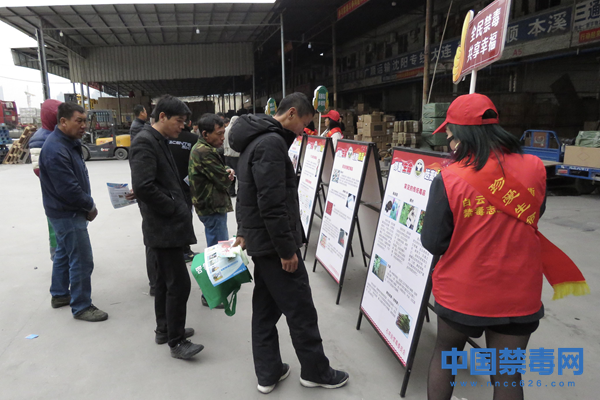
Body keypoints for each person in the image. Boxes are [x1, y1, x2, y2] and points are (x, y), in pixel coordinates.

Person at [421, 93, 588, 400]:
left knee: (446, 357)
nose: (448, 142)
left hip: (463, 292)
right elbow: (534, 214)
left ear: (462, 135)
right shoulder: (535, 166)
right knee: (508, 373)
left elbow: (433, 241)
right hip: (518, 293)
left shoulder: (449, 178)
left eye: (450, 134)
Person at [229, 92, 349, 394]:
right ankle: (316, 371)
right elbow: (271, 204)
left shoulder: (254, 139)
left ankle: (268, 373)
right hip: (274, 246)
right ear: (292, 113)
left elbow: (245, 193)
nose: (302, 131)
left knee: (265, 311)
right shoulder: (270, 143)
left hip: (261, 241)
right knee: (301, 310)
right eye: (303, 123)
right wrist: (286, 250)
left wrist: (244, 230)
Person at [129, 95, 203, 360]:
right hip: (164, 227)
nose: (182, 126)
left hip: (166, 225)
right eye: (179, 121)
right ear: (162, 117)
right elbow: (144, 186)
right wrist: (172, 206)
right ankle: (177, 340)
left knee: (163, 282)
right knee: (179, 284)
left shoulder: (159, 140)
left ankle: (165, 329)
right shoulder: (145, 142)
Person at [38, 102, 108, 322]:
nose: (84, 125)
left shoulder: (68, 143)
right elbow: (69, 189)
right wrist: (90, 205)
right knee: (81, 259)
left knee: (63, 252)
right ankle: (81, 306)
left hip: (63, 210)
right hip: (67, 212)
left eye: (85, 121)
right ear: (63, 121)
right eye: (79, 121)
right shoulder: (56, 150)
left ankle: (60, 294)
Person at [189, 113, 234, 246]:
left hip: (208, 205)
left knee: (217, 244)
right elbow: (223, 180)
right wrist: (227, 175)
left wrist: (226, 169)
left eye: (223, 133)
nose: (222, 137)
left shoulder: (201, 148)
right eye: (219, 134)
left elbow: (218, 169)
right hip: (213, 207)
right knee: (219, 249)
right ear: (205, 134)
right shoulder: (205, 151)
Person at [30, 99, 61, 261]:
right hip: (54, 194)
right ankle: (57, 258)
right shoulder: (40, 138)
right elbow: (38, 169)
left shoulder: (60, 135)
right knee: (55, 228)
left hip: (65, 193)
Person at [167, 120, 199, 263]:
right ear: (190, 123)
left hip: (167, 185)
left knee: (171, 217)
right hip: (186, 185)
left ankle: (176, 249)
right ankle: (185, 250)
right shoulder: (194, 139)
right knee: (186, 216)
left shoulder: (165, 138)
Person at [223, 115, 240, 197]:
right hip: (236, 155)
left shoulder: (225, 130)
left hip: (227, 154)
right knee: (238, 175)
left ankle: (231, 191)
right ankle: (239, 191)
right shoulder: (237, 130)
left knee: (230, 174)